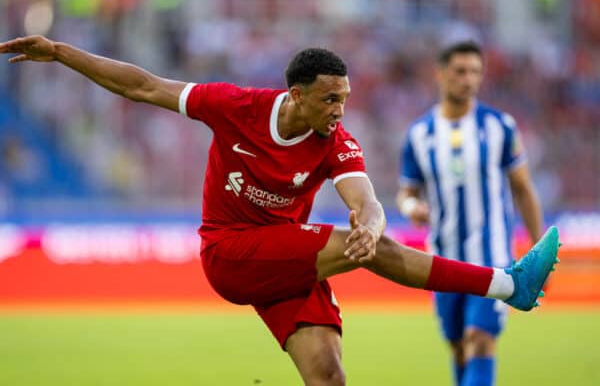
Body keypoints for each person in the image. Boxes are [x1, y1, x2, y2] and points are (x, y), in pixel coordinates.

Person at [0, 35, 560, 386]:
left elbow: (365, 198)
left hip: (285, 261)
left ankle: (507, 286)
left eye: (343, 98)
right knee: (371, 251)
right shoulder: (234, 106)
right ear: (294, 95)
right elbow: (144, 86)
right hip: (230, 253)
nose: (339, 110)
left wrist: (369, 224)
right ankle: (509, 286)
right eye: (328, 99)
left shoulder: (336, 140)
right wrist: (59, 53)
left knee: (328, 375)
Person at [396, 41, 545, 386]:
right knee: (459, 347)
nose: (469, 80)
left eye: (476, 72)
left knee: (480, 339)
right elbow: (407, 191)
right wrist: (409, 207)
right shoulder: (420, 134)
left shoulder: (499, 127)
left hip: (492, 259)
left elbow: (523, 188)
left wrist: (538, 252)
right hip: (444, 262)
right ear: (440, 74)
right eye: (461, 71)